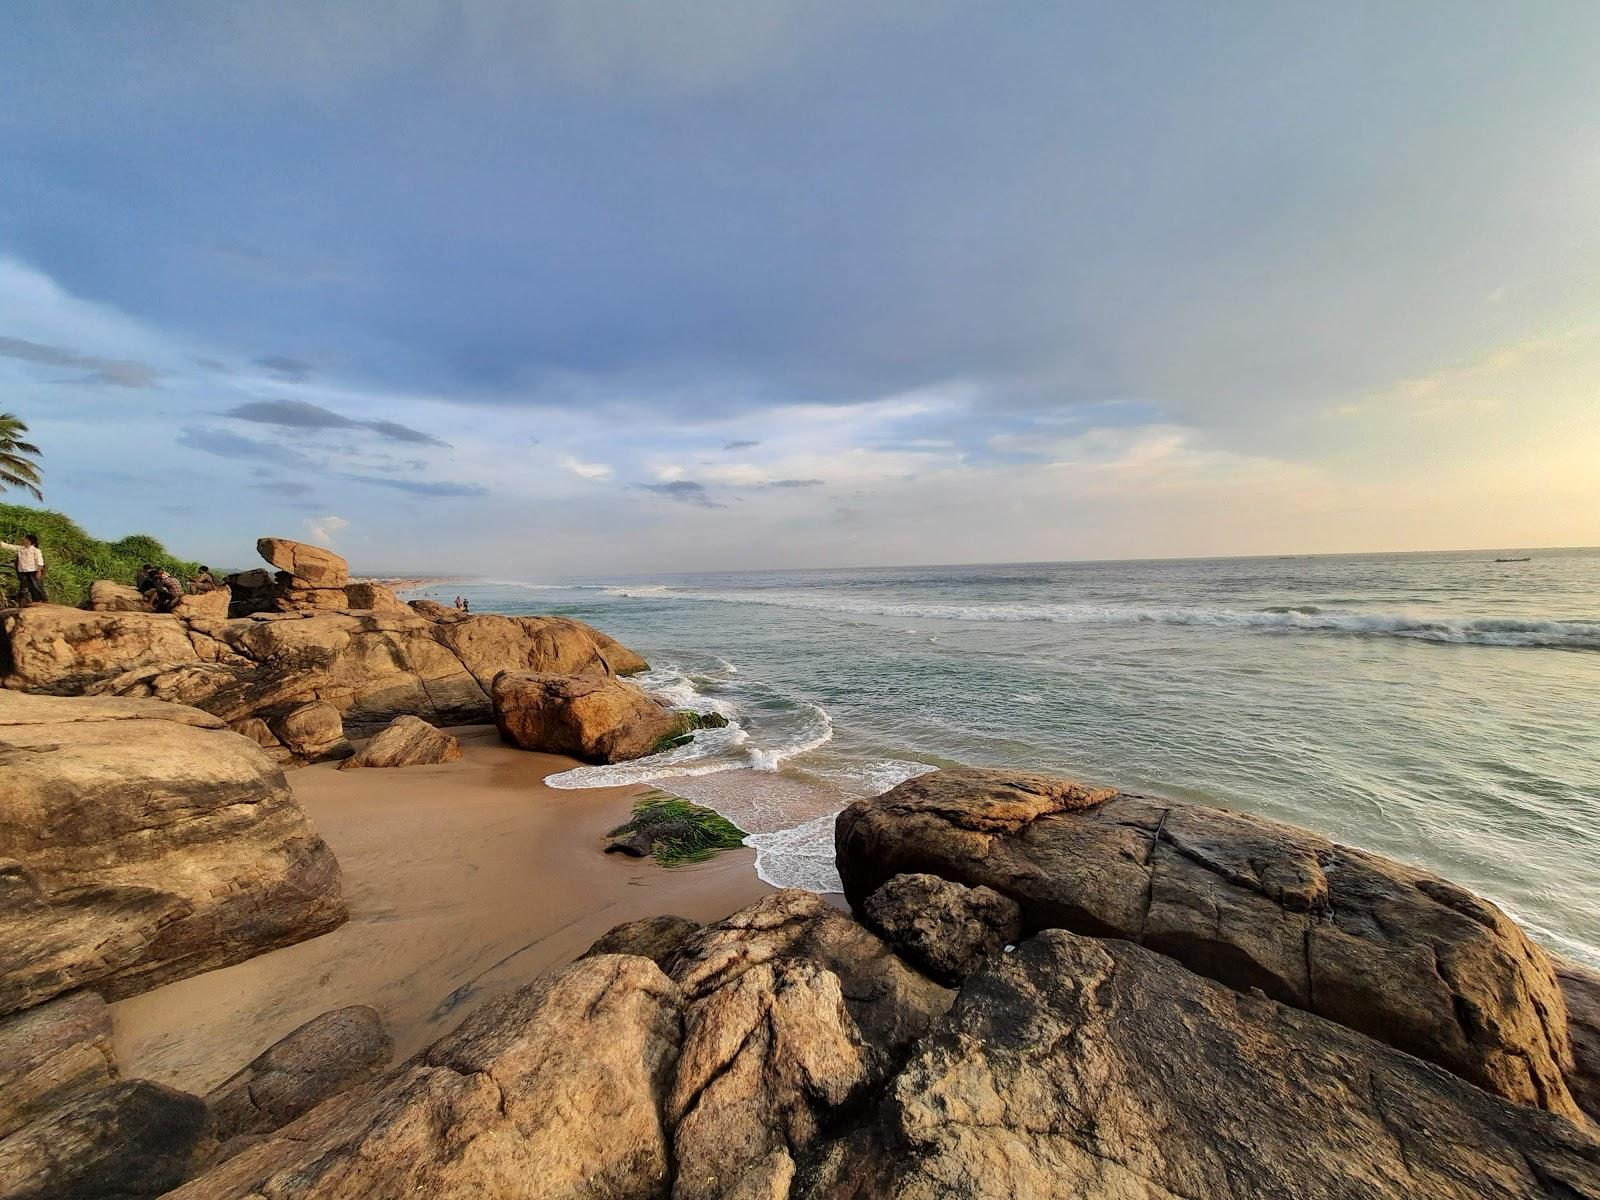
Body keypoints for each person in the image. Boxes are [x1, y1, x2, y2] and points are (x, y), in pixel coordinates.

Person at [1, 533, 46, 605]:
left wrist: (39, 571)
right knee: (26, 586)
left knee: (36, 585)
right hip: (22, 571)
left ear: (30, 541)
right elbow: (7, 546)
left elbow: (40, 561)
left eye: (25, 539)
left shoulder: (36, 550)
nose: (23, 540)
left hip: (33, 571)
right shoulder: (20, 548)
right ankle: (34, 600)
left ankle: (43, 599)